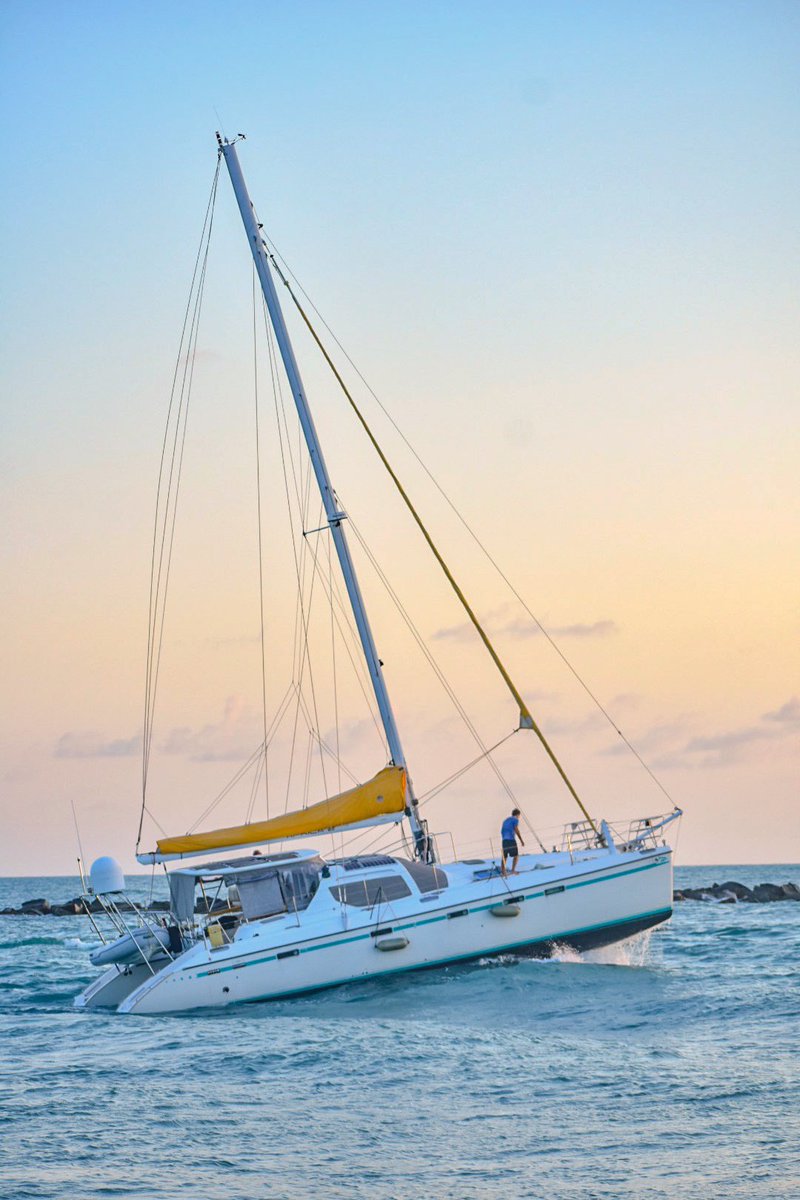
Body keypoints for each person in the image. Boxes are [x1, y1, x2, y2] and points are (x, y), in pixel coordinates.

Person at [500, 808, 524, 875]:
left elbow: (502, 831)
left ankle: (503, 871)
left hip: (504, 840)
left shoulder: (505, 820)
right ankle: (513, 870)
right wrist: (521, 840)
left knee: (504, 856)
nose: (519, 817)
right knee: (516, 856)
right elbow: (516, 830)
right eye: (519, 816)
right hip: (511, 840)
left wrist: (504, 838)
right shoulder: (515, 819)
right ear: (517, 814)